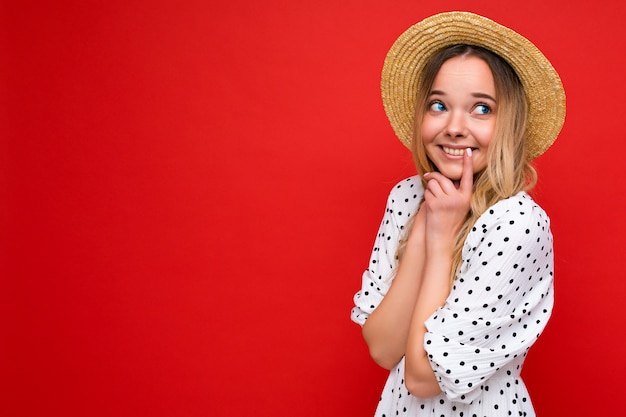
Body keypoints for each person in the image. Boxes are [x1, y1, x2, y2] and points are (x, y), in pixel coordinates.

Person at [350, 11, 565, 417]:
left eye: (481, 109)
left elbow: (423, 377)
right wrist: (424, 229)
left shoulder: (516, 224)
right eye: (438, 105)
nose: (454, 126)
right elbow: (382, 348)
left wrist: (441, 240)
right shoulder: (408, 197)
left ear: (509, 124)